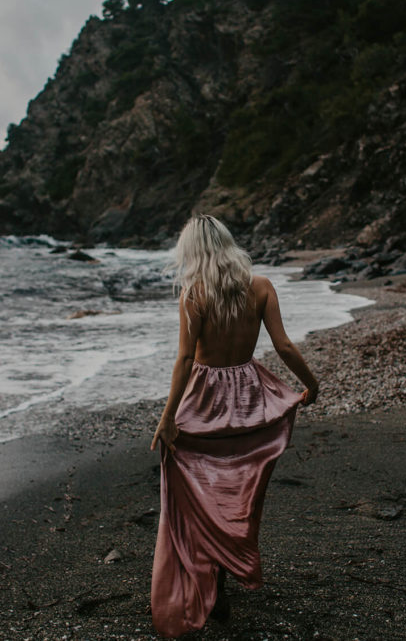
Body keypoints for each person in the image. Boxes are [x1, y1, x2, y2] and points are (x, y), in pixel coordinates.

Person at [150, 214, 319, 637]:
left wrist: (168, 416)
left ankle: (211, 570)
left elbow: (186, 360)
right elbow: (282, 344)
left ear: (191, 251)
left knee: (196, 482)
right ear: (228, 243)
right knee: (242, 480)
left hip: (205, 397)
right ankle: (227, 558)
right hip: (247, 392)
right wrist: (310, 384)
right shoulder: (260, 286)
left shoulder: (194, 294)